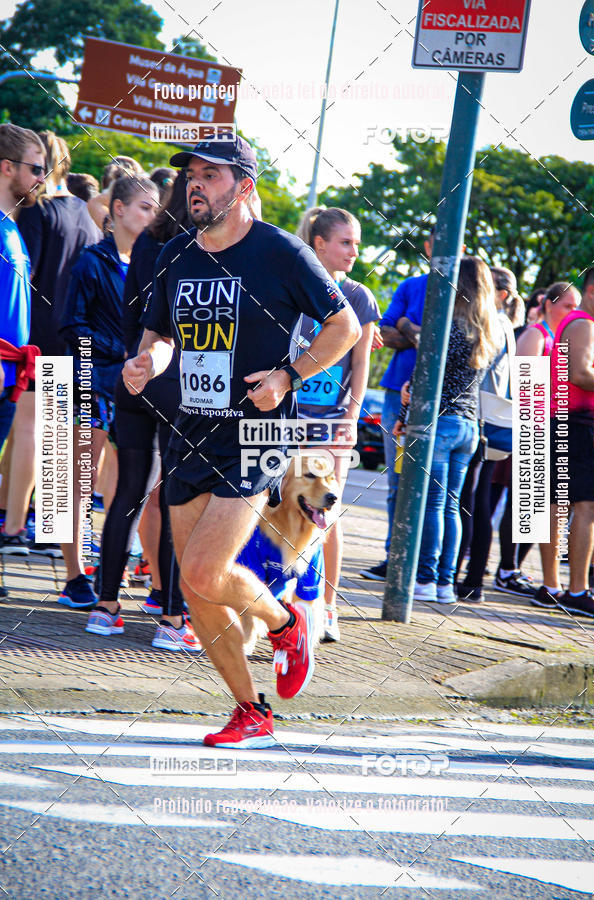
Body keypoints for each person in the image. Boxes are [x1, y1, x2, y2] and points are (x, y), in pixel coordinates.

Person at [125, 136, 360, 747]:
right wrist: (147, 363)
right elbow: (159, 336)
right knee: (194, 587)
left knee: (206, 568)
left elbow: (345, 326)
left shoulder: (280, 252)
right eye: (191, 176)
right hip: (191, 429)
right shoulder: (175, 253)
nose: (195, 185)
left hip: (258, 432)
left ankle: (284, 624)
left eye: (211, 175)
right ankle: (251, 709)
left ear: (244, 186)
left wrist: (289, 376)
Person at [84, 172, 200, 650]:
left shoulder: (149, 242)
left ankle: (105, 606)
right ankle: (171, 619)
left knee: (127, 495)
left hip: (135, 372)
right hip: (179, 381)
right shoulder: (203, 245)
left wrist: (137, 357)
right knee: (174, 499)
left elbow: (132, 314)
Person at [58, 175, 159, 610]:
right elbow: (71, 325)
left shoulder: (153, 264)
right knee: (76, 480)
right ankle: (73, 576)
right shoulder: (90, 260)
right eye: (145, 207)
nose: (153, 216)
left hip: (136, 388)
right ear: (118, 209)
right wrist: (111, 355)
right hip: (91, 381)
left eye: (156, 209)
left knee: (133, 486)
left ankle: (118, 568)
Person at [0, 132, 100, 557]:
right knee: (56, 437)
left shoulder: (37, 213)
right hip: (72, 339)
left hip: (34, 337)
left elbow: (27, 278)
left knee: (28, 432)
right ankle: (50, 534)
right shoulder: (86, 216)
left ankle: (13, 527)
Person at [296, 206, 380, 641]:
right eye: (345, 242)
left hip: (333, 422)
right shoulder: (293, 284)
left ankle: (327, 607)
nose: (353, 252)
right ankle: (290, 599)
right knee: (282, 508)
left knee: (327, 512)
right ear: (320, 244)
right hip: (289, 420)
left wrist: (351, 416)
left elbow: (361, 364)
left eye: (356, 244)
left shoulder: (360, 296)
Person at [395, 257, 500, 602]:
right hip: (468, 426)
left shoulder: (447, 327)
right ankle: (445, 583)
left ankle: (426, 579)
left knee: (432, 504)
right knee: (452, 506)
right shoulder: (487, 331)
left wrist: (405, 411)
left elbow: (425, 379)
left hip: (440, 422)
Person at [359, 228, 434, 582]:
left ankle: (428, 568)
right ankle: (395, 557)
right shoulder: (410, 285)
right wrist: (415, 332)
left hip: (441, 400)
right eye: (435, 241)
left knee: (434, 489)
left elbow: (450, 342)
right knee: (398, 481)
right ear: (428, 246)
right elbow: (383, 334)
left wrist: (407, 325)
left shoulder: (464, 289)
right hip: (395, 397)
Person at [455, 265, 524, 602]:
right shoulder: (507, 324)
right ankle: (472, 581)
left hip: (479, 418)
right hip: (494, 423)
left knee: (468, 503)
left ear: (500, 293)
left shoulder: (492, 321)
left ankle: (459, 576)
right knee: (478, 502)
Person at [514, 282, 581, 607]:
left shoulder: (565, 336)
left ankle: (546, 581)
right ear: (549, 304)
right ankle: (510, 570)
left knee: (548, 507)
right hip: (537, 426)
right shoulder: (536, 334)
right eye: (568, 305)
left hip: (559, 424)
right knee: (531, 508)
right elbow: (524, 386)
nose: (573, 312)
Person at [542, 269, 594, 618]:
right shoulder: (585, 325)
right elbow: (579, 372)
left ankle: (553, 588)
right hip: (577, 423)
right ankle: (577, 591)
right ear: (591, 291)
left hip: (565, 419)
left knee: (557, 504)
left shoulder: (579, 323)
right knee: (588, 506)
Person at [0, 124, 45, 451]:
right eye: (36, 169)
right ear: (7, 167)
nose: (42, 178)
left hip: (10, 377)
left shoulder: (12, 227)